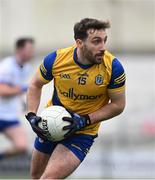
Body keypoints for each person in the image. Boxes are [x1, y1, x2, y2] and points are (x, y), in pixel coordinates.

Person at [26, 18, 126, 179]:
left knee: (49, 178)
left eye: (104, 41)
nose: (103, 48)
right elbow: (35, 85)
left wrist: (85, 120)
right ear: (79, 43)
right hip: (50, 126)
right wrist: (31, 115)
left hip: (82, 132)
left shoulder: (113, 68)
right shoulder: (57, 59)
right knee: (35, 177)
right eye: (96, 41)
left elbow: (118, 105)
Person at [0, 37, 35, 159]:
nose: (32, 52)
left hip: (9, 116)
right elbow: (2, 91)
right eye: (29, 49)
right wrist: (23, 88)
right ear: (19, 49)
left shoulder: (27, 68)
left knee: (22, 146)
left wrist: (24, 102)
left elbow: (17, 89)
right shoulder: (6, 67)